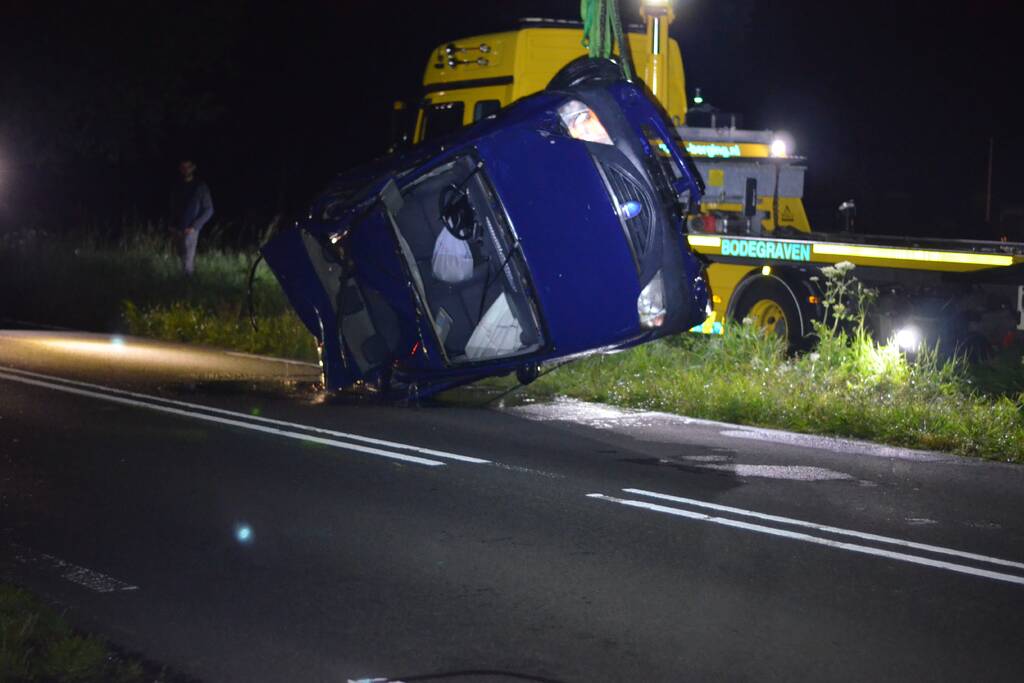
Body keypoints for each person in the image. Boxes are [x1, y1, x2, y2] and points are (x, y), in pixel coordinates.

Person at [171, 159, 214, 275]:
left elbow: (209, 209)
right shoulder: (177, 186)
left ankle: (188, 288)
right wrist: (172, 225)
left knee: (187, 264)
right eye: (183, 167)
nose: (185, 169)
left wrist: (194, 227)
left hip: (190, 230)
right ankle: (176, 288)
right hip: (177, 229)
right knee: (178, 262)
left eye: (188, 166)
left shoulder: (200, 186)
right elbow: (174, 206)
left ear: (193, 168)